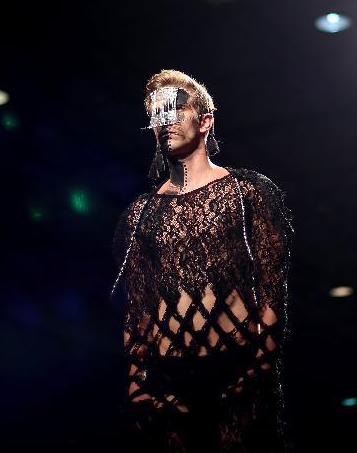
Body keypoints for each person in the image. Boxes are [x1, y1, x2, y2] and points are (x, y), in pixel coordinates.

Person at [110, 69, 293, 451]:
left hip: (235, 368)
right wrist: (134, 381)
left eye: (176, 110)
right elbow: (138, 305)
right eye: (158, 114)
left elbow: (271, 285)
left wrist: (261, 364)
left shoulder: (246, 194)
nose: (166, 121)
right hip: (167, 378)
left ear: (205, 120)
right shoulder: (141, 214)